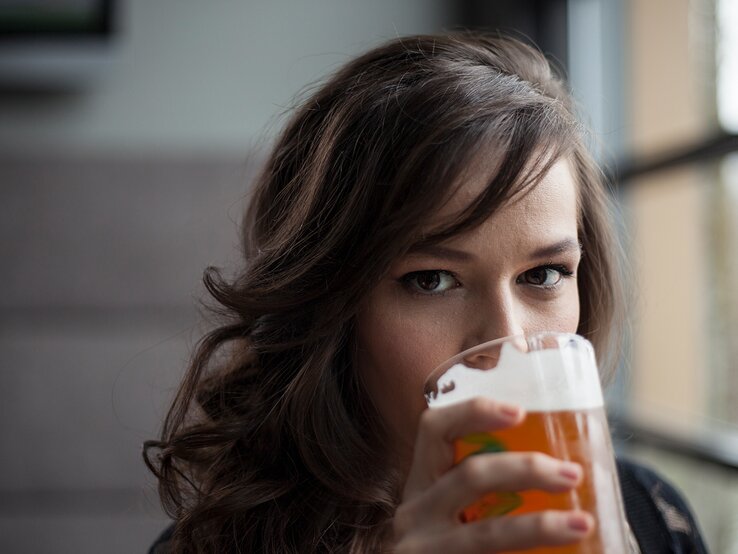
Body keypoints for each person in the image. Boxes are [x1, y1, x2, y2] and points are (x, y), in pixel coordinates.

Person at [145, 33, 708, 553]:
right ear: (331, 308)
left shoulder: (652, 519)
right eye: (431, 281)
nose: (507, 342)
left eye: (543, 276)